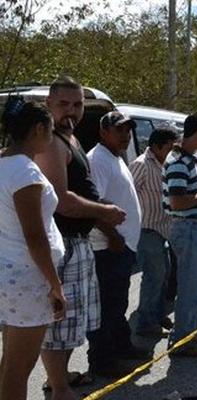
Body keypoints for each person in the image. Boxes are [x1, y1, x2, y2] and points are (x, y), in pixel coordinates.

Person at [34, 76, 126, 399]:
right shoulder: (50, 142)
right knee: (58, 323)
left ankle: (58, 378)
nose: (71, 111)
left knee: (72, 324)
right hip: (63, 244)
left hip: (78, 243)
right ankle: (59, 388)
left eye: (77, 105)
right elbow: (61, 200)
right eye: (63, 104)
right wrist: (103, 211)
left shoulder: (70, 138)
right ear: (48, 103)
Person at [0, 98, 67, 400]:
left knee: (10, 361)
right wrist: (55, 286)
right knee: (19, 366)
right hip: (27, 277)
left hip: (11, 272)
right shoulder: (25, 173)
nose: (52, 136)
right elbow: (35, 237)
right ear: (39, 128)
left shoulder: (4, 164)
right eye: (51, 129)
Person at [86, 111, 147, 376]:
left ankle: (122, 346)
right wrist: (113, 236)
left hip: (123, 246)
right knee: (107, 307)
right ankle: (102, 361)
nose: (125, 135)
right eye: (119, 130)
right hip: (109, 247)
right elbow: (94, 206)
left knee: (118, 302)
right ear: (104, 132)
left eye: (128, 130)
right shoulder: (97, 159)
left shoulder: (115, 157)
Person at [163, 113, 197, 357]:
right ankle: (182, 340)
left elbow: (185, 193)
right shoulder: (178, 162)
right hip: (186, 228)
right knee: (191, 287)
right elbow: (177, 201)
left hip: (194, 228)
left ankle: (187, 332)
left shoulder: (187, 160)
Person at [131, 128, 178, 338]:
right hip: (146, 229)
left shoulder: (165, 164)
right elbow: (128, 195)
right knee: (154, 275)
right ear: (157, 146)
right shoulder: (141, 165)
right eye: (169, 147)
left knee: (163, 274)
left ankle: (157, 314)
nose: (173, 151)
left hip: (162, 229)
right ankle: (146, 322)